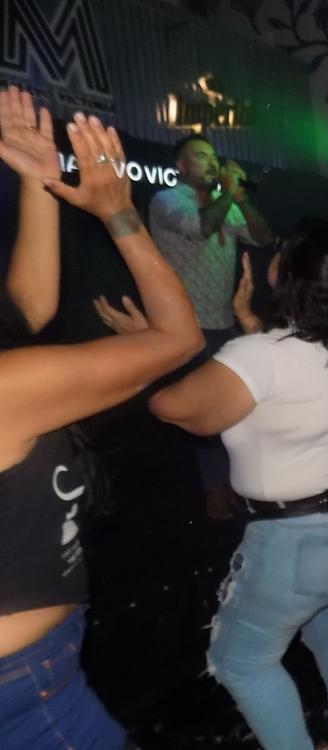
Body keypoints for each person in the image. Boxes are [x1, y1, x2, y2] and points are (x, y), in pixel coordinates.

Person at [0, 89, 202, 748]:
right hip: (25, 690)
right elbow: (177, 339)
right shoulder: (7, 390)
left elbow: (25, 312)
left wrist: (37, 182)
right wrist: (119, 212)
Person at [146, 229, 328, 748]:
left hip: (302, 542)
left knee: (241, 662)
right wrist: (249, 324)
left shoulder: (259, 355)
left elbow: (173, 407)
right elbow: (287, 375)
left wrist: (153, 350)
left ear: (285, 277)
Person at [148, 134, 272, 519]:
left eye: (214, 157)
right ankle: (214, 490)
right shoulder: (168, 201)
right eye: (201, 156)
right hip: (183, 324)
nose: (212, 163)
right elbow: (201, 228)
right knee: (204, 407)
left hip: (221, 320)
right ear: (181, 166)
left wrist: (241, 198)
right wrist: (228, 192)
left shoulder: (227, 205)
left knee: (233, 404)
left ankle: (233, 483)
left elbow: (264, 236)